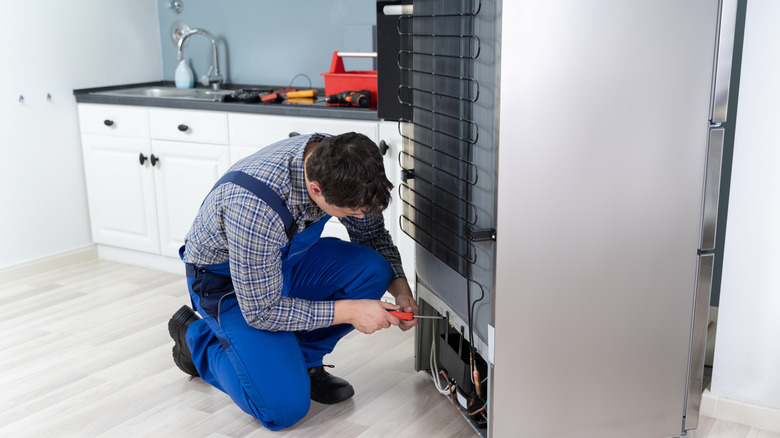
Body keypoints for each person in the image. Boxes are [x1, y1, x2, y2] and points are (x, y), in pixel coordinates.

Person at [167, 131, 419, 430]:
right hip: (229, 286)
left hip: (286, 261)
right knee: (283, 409)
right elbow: (262, 311)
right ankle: (197, 340)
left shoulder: (344, 162)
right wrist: (352, 311)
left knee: (373, 270)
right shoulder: (254, 207)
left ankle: (303, 364)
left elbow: (372, 234)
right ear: (316, 189)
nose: (360, 217)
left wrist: (401, 288)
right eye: (351, 213)